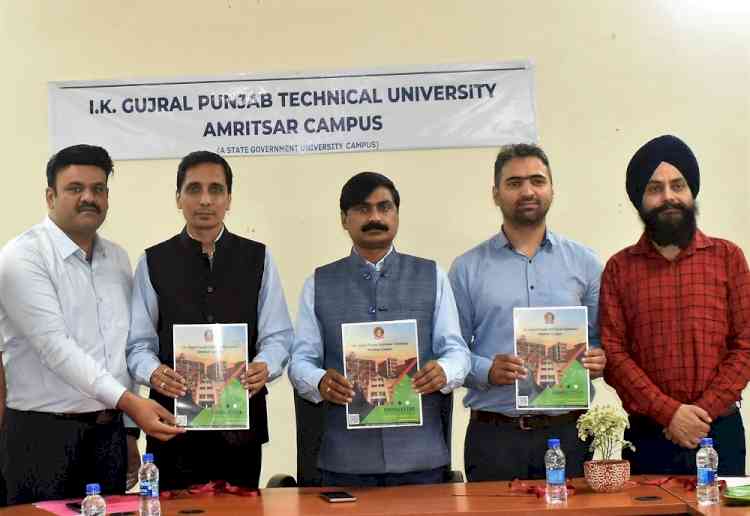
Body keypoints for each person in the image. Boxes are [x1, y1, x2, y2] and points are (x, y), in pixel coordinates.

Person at [0, 144, 182, 505]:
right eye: (75, 188)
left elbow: (121, 348)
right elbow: (55, 348)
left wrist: (128, 432)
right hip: (42, 437)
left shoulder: (117, 258)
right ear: (50, 196)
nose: (88, 197)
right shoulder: (22, 257)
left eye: (98, 189)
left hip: (108, 435)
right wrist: (132, 404)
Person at [289, 171, 470, 487]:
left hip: (421, 460)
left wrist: (444, 370)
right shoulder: (318, 283)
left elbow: (457, 351)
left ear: (397, 215)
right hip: (345, 462)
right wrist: (319, 381)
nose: (375, 217)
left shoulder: (432, 276)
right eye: (362, 209)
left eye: (384, 207)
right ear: (344, 219)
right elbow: (300, 361)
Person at [126, 150, 293, 490]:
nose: (205, 200)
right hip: (171, 426)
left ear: (229, 199)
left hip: (241, 429)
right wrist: (153, 372)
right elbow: (138, 345)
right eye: (194, 189)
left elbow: (278, 336)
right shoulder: (153, 261)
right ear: (178, 198)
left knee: (241, 511)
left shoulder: (258, 257)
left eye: (216, 190)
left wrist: (265, 365)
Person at [448, 143, 606, 481]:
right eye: (514, 183)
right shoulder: (467, 268)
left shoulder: (586, 263)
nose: (528, 191)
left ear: (552, 189)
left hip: (570, 433)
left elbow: (601, 339)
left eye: (537, 180)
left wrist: (599, 358)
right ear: (496, 194)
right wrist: (487, 370)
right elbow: (451, 351)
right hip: (495, 437)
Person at [600, 134, 750, 475]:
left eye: (678, 185)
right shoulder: (619, 268)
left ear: (691, 192)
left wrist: (700, 415)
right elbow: (614, 353)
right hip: (648, 435)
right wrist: (669, 414)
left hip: (719, 431)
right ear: (639, 201)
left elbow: (745, 345)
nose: (668, 196)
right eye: (655, 188)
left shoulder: (728, 257)